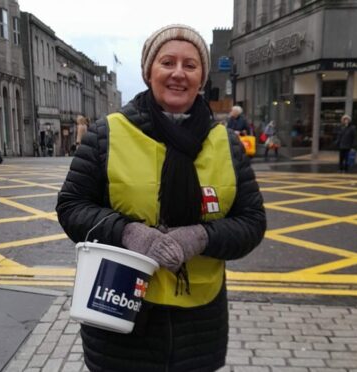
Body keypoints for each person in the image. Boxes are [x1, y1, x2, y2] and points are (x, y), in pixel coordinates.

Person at [56, 24, 266, 371]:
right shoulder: (107, 133)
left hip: (199, 324)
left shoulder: (226, 143)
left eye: (190, 65)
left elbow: (252, 222)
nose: (178, 74)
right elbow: (72, 207)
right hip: (120, 312)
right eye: (167, 62)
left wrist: (201, 237)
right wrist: (129, 233)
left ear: (202, 77)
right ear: (148, 71)